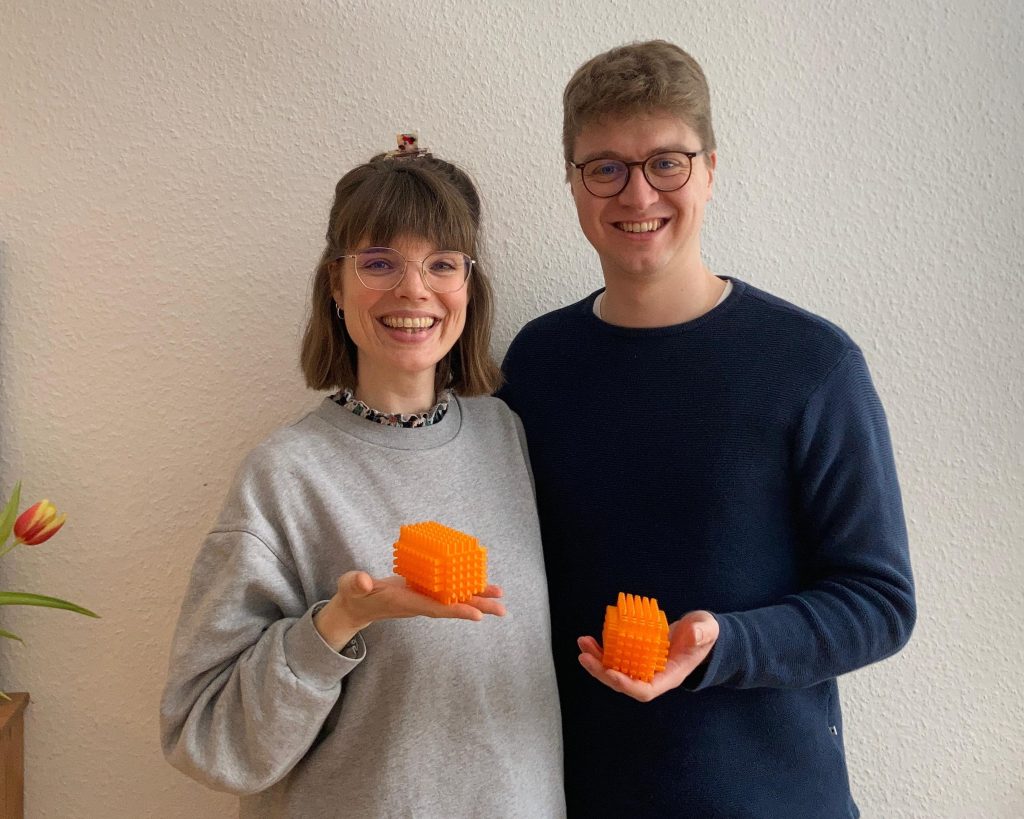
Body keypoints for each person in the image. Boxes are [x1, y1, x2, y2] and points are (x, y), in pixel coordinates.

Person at [498, 41, 915, 817]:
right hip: (583, 797)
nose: (637, 193)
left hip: (771, 800)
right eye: (606, 167)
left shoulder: (810, 364)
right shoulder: (538, 361)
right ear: (575, 183)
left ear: (711, 171)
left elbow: (880, 602)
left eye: (667, 162)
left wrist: (723, 642)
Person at [160, 143, 565, 818]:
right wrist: (339, 621)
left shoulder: (507, 436)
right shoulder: (285, 474)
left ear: (469, 286)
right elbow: (206, 738)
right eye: (379, 263)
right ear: (335, 284)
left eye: (442, 263)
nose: (414, 289)